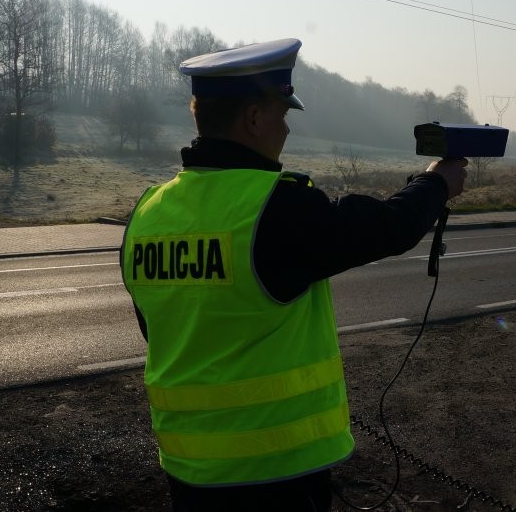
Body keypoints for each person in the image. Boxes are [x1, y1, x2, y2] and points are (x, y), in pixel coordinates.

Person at [120, 38, 467, 511]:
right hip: (273, 472)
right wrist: (437, 183)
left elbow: (161, 327)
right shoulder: (273, 207)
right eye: (281, 115)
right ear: (254, 119)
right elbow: (389, 227)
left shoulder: (148, 213)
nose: (286, 130)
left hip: (188, 470)